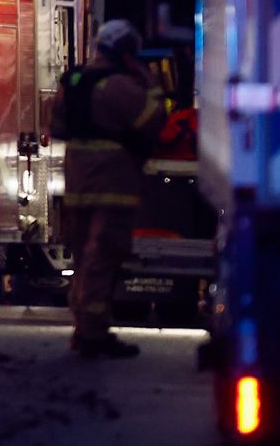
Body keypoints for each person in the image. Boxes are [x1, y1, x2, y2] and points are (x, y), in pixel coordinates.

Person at [52, 18, 165, 359]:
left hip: (77, 182)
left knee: (83, 257)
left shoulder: (74, 82)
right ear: (126, 51)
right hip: (113, 184)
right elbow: (154, 121)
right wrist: (150, 83)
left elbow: (57, 127)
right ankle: (93, 334)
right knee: (102, 257)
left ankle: (82, 327)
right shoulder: (119, 86)